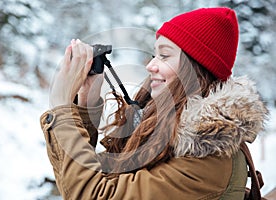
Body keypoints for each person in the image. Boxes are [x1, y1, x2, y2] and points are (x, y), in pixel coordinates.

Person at [40, 7, 268, 199]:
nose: (150, 65)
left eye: (165, 56)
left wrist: (62, 107)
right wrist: (85, 104)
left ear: (195, 70)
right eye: (154, 54)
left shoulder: (208, 160)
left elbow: (97, 194)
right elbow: (91, 178)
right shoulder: (164, 130)